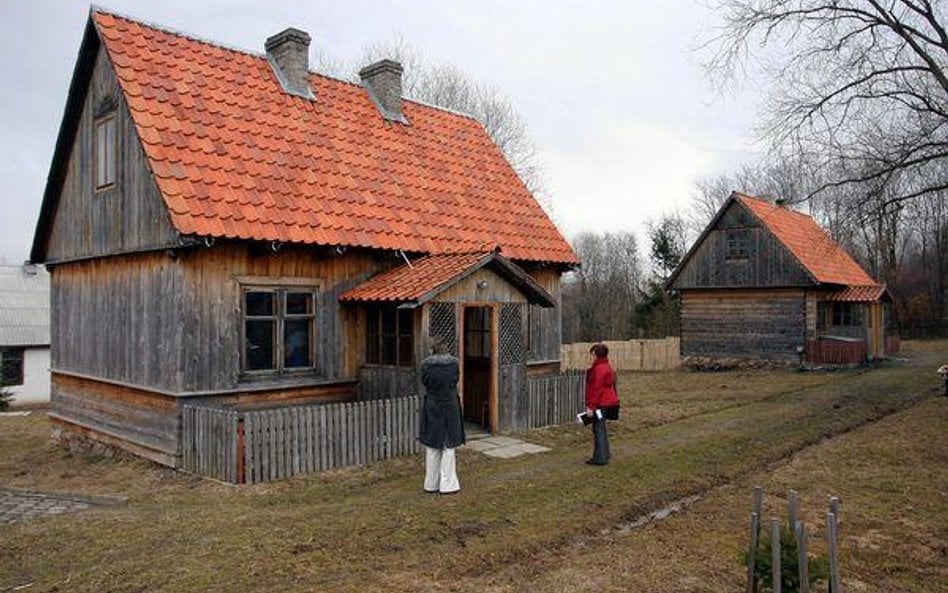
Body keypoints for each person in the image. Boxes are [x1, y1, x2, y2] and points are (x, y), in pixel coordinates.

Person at [419, 338, 465, 494]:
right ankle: (448, 484)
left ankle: (431, 484)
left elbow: (424, 381)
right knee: (448, 445)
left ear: (432, 350)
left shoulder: (426, 365)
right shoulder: (454, 364)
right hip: (449, 404)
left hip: (432, 403)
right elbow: (455, 380)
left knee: (432, 445)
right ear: (446, 349)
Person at [584, 343, 620, 466]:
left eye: (592, 354)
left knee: (598, 428)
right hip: (606, 402)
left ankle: (600, 458)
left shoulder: (598, 369)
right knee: (601, 428)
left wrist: (591, 406)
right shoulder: (606, 366)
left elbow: (596, 389)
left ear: (596, 355)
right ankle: (605, 453)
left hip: (600, 403)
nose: (591, 356)